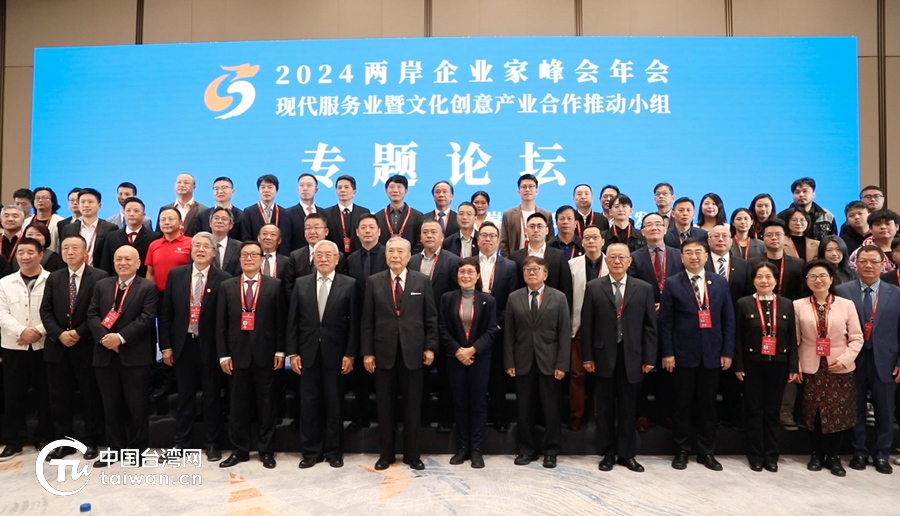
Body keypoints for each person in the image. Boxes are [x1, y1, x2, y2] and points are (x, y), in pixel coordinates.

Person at [361, 237, 439, 471]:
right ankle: (386, 455)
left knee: (413, 408)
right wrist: (367, 353)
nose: (395, 255)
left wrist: (430, 347)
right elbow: (367, 320)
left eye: (400, 251)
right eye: (391, 251)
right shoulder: (374, 281)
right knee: (385, 408)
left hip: (413, 354)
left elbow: (431, 317)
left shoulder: (422, 281)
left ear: (408, 256)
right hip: (383, 354)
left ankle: (412, 455)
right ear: (385, 255)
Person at [660, 237, 735, 471]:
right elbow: (665, 322)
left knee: (708, 406)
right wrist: (668, 353)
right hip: (682, 354)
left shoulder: (719, 282)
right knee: (681, 405)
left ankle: (706, 451)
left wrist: (727, 351)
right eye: (689, 252)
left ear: (706, 256)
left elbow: (728, 319)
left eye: (698, 252)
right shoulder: (672, 283)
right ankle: (681, 450)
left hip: (712, 353)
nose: (694, 256)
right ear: (681, 257)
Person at [581, 243, 657, 473]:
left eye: (621, 257)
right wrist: (587, 357)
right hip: (603, 356)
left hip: (632, 357)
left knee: (628, 408)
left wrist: (649, 357)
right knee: (604, 410)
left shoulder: (643, 288)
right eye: (612, 257)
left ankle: (627, 454)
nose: (617, 261)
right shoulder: (594, 287)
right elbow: (587, 325)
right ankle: (607, 453)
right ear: (606, 260)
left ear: (629, 261)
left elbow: (650, 327)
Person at [158, 232, 231, 462]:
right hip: (183, 345)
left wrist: (224, 352)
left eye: (206, 246)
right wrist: (166, 346)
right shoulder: (177, 275)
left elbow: (226, 319)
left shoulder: (224, 278)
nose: (200, 250)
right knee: (185, 397)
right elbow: (166, 313)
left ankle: (212, 443)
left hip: (210, 347)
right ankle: (181, 443)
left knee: (212, 397)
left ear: (214, 252)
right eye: (197, 245)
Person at [286, 240, 358, 469]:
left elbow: (354, 324)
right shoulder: (301, 283)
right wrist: (293, 352)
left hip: (336, 354)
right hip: (307, 353)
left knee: (334, 404)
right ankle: (310, 452)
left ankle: (334, 452)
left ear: (337, 259)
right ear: (313, 259)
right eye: (319, 255)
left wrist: (350, 353)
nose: (324, 259)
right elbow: (293, 321)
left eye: (329, 255)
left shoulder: (349, 284)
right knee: (309, 404)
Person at [87, 245, 159, 467]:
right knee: (110, 406)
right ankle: (115, 449)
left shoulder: (148, 287)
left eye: (128, 259)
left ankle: (137, 450)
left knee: (137, 406)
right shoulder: (102, 285)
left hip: (135, 355)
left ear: (138, 263)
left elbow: (146, 318)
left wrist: (120, 338)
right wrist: (105, 339)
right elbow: (92, 314)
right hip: (105, 355)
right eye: (119, 259)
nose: (123, 263)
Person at [217, 241, 286, 469]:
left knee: (267, 404)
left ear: (261, 259)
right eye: (245, 255)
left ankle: (266, 451)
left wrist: (280, 349)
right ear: (239, 259)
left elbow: (280, 321)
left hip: (266, 354)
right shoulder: (227, 286)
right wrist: (223, 354)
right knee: (238, 405)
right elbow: (220, 324)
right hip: (236, 355)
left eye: (254, 255)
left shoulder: (275, 285)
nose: (249, 258)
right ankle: (240, 450)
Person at [39, 234, 107, 462]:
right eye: (66, 247)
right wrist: (59, 334)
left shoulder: (99, 276)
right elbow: (45, 311)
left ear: (85, 251)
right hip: (58, 347)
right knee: (59, 397)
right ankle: (63, 442)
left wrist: (79, 332)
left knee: (90, 396)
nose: (69, 251)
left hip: (85, 346)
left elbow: (98, 312)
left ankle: (91, 440)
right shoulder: (54, 277)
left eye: (75, 247)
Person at [794, 260, 862, 477]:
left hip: (838, 367)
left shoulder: (846, 305)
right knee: (813, 413)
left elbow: (857, 338)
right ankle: (816, 454)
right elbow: (795, 340)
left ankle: (834, 457)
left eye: (822, 275)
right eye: (812, 276)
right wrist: (796, 366)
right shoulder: (798, 305)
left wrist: (845, 359)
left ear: (831, 279)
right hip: (811, 367)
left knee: (837, 413)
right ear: (806, 281)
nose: (818, 280)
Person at [836, 246, 900, 475]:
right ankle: (859, 452)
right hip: (853, 359)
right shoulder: (842, 291)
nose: (869, 266)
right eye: (863, 261)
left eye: (874, 261)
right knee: (856, 408)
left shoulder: (896, 293)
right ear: (856, 264)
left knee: (885, 409)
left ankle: (882, 454)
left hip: (887, 359)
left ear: (883, 264)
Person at [733, 262, 800, 472]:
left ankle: (771, 455)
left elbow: (792, 337)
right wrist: (738, 365)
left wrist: (793, 366)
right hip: (751, 365)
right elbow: (738, 338)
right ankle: (755, 454)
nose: (764, 281)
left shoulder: (787, 304)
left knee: (773, 411)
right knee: (754, 410)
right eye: (759, 277)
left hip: (779, 364)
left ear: (775, 280)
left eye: (768, 277)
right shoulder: (743, 303)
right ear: (753, 281)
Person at [505, 256, 570, 468]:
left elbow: (564, 333)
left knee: (551, 410)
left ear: (545, 274)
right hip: (522, 361)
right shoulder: (514, 298)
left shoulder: (558, 297)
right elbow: (509, 334)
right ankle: (526, 450)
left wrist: (562, 364)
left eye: (536, 269)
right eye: (527, 270)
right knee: (524, 410)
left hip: (550, 363)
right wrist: (509, 362)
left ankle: (551, 451)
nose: (531, 273)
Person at [438, 257, 497, 469]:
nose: (466, 276)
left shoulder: (488, 300)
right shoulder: (447, 298)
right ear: (457, 275)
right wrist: (458, 350)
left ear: (478, 275)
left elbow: (491, 330)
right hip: (455, 358)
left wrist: (472, 350)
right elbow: (442, 327)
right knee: (460, 402)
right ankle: (462, 447)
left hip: (479, 358)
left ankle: (477, 449)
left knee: (478, 403)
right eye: (462, 272)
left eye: (470, 272)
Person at [0, 238, 52, 461]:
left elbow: (56, 311)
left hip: (43, 345)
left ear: (41, 254)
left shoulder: (52, 280)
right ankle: (14, 441)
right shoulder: (5, 282)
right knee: (13, 395)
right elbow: (1, 314)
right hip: (13, 346)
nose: (25, 256)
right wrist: (22, 331)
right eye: (21, 252)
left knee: (45, 394)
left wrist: (38, 331)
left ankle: (45, 438)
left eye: (30, 252)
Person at [408, 220, 460, 431]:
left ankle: (446, 419)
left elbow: (457, 295)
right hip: (417, 327)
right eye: (425, 232)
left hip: (445, 326)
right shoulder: (411, 261)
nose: (429, 235)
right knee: (420, 377)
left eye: (433, 232)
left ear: (442, 237)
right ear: (420, 237)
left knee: (447, 376)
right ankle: (421, 418)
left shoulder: (453, 261)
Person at [706, 225, 752, 430]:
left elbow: (749, 295)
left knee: (733, 373)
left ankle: (731, 416)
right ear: (708, 240)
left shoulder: (744, 265)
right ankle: (710, 417)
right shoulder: (701, 262)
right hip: (707, 326)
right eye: (715, 236)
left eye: (724, 236)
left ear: (732, 240)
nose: (720, 239)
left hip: (736, 325)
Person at [475, 222, 519, 433]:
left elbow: (511, 299)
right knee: (476, 379)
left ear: (498, 240)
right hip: (473, 332)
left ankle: (499, 418)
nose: (488, 239)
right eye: (484, 235)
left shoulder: (509, 266)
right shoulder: (467, 263)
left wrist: (496, 324)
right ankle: (477, 420)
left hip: (499, 331)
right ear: (477, 239)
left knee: (498, 378)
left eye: (492, 235)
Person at [344, 214, 386, 431]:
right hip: (358, 322)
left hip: (384, 322)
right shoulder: (350, 259)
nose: (367, 231)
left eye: (371, 227)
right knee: (360, 374)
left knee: (383, 376)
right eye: (363, 228)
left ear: (379, 231)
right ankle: (361, 417)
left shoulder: (389, 254)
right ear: (357, 233)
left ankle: (384, 419)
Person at [567, 225, 609, 431]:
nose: (591, 241)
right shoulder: (571, 265)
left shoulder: (613, 263)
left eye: (595, 237)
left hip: (605, 328)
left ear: (603, 241)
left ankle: (601, 414)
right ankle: (576, 415)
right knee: (577, 374)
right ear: (582, 242)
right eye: (587, 238)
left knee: (603, 374)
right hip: (579, 326)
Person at [509, 213, 573, 302]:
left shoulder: (559, 255)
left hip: (552, 305)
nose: (536, 230)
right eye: (532, 226)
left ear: (547, 230)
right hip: (523, 306)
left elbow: (566, 287)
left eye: (539, 226)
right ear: (526, 231)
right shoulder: (515, 256)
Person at [285, 213, 347, 296]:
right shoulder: (295, 256)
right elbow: (289, 287)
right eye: (308, 228)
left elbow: (342, 285)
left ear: (326, 231)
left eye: (317, 227)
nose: (312, 232)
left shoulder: (337, 255)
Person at [99, 197, 160, 278]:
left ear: (143, 215)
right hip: (116, 282)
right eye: (128, 211)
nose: (131, 214)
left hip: (143, 282)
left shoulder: (154, 237)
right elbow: (105, 265)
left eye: (136, 211)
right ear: (124, 213)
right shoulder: (112, 236)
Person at [59, 188, 118, 268]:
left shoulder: (110, 228)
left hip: (100, 273)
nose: (86, 205)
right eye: (83, 202)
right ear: (78, 205)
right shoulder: (68, 229)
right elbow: (62, 254)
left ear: (99, 206)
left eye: (90, 202)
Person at [750, 220, 805, 301]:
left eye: (778, 234)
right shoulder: (752, 263)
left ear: (785, 237)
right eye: (769, 235)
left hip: (790, 305)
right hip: (759, 304)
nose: (774, 238)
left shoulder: (798, 264)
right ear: (763, 238)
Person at [499, 174, 552, 257]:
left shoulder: (546, 214)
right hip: (516, 260)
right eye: (524, 187)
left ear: (536, 191)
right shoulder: (508, 215)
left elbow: (550, 241)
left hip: (541, 260)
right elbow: (503, 242)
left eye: (531, 186)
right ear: (518, 191)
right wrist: (509, 261)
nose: (527, 189)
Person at [241, 174, 291, 256]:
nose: (266, 190)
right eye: (263, 187)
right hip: (255, 256)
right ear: (258, 190)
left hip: (278, 257)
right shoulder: (249, 212)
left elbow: (286, 239)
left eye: (270, 187)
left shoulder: (284, 213)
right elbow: (246, 237)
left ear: (276, 190)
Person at [145, 207, 192, 292]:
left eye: (171, 219)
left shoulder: (191, 243)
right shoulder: (153, 245)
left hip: (182, 293)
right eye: (163, 220)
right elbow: (150, 272)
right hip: (158, 294)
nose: (166, 222)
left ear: (181, 223)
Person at [776, 177, 837, 242]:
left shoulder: (827, 216)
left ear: (813, 194)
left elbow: (833, 240)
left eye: (805, 191)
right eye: (797, 192)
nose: (801, 195)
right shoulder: (782, 217)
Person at [322, 174, 370, 256]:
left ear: (354, 192)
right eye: (339, 188)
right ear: (336, 192)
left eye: (346, 187)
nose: (342, 190)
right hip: (334, 256)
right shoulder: (326, 213)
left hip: (359, 256)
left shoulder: (363, 212)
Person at [376, 176, 424, 254]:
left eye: (399, 187)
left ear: (406, 191)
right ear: (386, 191)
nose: (395, 190)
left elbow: (420, 242)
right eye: (392, 187)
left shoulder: (417, 216)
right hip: (383, 258)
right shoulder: (378, 217)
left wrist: (409, 257)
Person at [285, 173, 327, 252]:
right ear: (298, 189)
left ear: (316, 190)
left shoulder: (324, 213)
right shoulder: (288, 214)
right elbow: (286, 241)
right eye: (302, 185)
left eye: (309, 185)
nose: (305, 188)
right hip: (297, 257)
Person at [848, 209, 899, 273]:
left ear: (897, 227)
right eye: (878, 224)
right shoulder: (860, 253)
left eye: (887, 224)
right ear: (870, 229)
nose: (883, 227)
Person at [24, 187, 65, 253]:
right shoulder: (26, 222)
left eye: (45, 198)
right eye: (37, 198)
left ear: (53, 202)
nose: (40, 200)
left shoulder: (60, 222)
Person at [208, 207, 242, 276]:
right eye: (216, 218)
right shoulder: (201, 245)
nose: (219, 221)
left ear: (231, 225)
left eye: (224, 219)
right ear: (210, 223)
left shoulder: (239, 247)